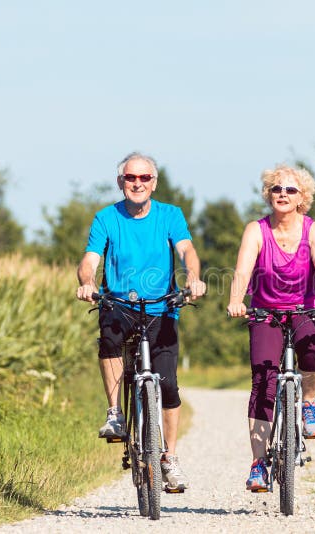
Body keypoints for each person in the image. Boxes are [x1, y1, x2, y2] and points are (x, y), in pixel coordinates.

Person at [76, 152, 206, 492]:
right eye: (131, 178)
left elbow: (187, 250)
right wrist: (87, 281)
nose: (137, 183)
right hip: (118, 303)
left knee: (168, 385)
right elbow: (90, 259)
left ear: (154, 182)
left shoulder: (170, 215)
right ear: (121, 182)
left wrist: (193, 277)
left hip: (162, 308)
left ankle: (169, 458)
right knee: (108, 340)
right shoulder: (106, 217)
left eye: (144, 178)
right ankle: (115, 413)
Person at [226, 164, 315, 491]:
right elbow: (242, 270)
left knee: (313, 356)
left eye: (290, 190)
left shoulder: (313, 230)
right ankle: (258, 464)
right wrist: (236, 299)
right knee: (263, 382)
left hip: (304, 307)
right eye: (277, 189)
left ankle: (308, 403)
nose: (282, 193)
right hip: (266, 311)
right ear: (269, 195)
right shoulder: (256, 230)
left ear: (302, 198)